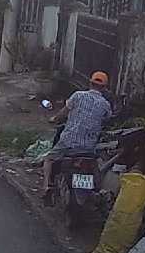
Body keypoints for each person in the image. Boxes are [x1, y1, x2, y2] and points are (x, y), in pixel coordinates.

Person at [42, 71, 113, 202]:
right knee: (94, 168)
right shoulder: (105, 105)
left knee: (49, 159)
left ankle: (46, 187)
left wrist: (54, 119)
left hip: (68, 142)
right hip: (88, 148)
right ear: (104, 88)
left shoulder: (78, 95)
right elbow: (107, 119)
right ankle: (91, 193)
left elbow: (63, 113)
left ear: (90, 83)